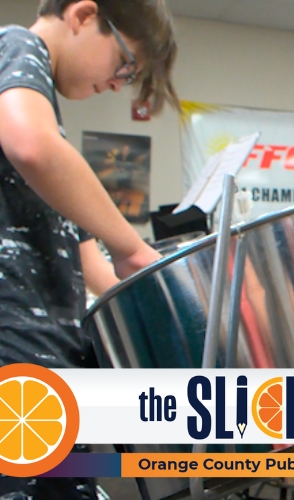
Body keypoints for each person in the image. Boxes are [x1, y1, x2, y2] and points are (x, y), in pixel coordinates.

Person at [0, 0, 177, 496]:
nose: (119, 83)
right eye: (125, 64)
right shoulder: (15, 46)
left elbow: (90, 266)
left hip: (50, 366)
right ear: (82, 16)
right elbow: (32, 144)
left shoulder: (39, 110)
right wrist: (135, 249)